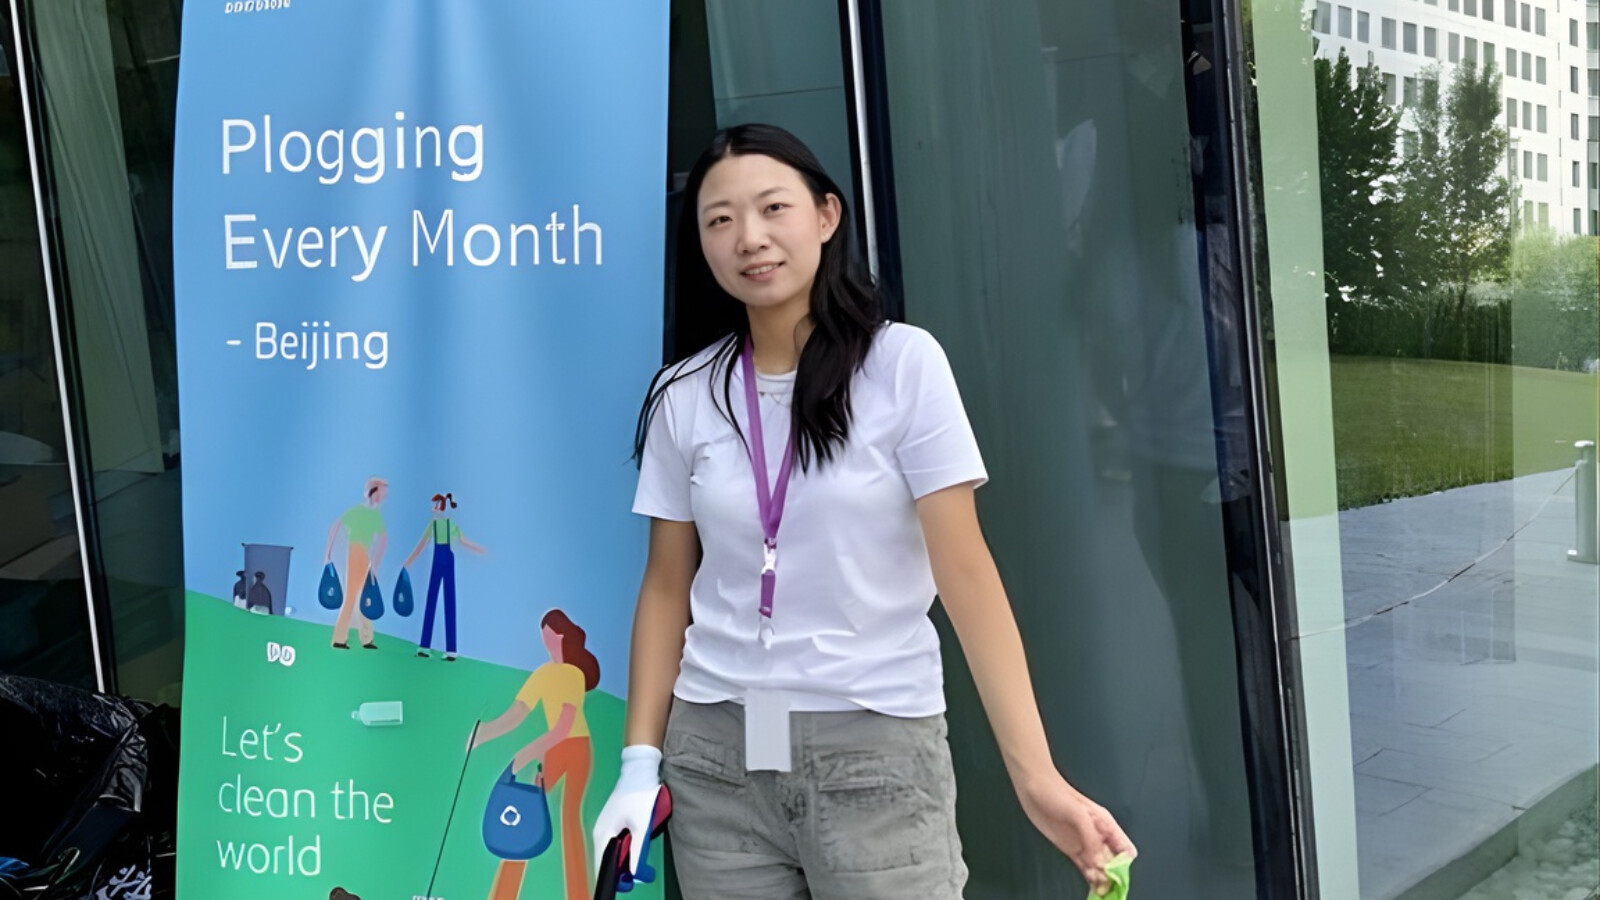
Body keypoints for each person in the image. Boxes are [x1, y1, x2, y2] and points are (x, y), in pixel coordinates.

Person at [591, 123, 1137, 899]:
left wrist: (1037, 777)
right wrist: (639, 765)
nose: (749, 237)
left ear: (825, 216)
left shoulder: (903, 367)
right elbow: (665, 587)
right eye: (720, 220)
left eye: (772, 208)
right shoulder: (686, 394)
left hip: (873, 752)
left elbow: (966, 573)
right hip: (716, 758)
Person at [470, 609, 600, 900]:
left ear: (559, 636)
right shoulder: (542, 674)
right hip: (553, 749)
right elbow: (517, 714)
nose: (544, 639)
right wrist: (482, 734)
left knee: (570, 817)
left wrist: (524, 755)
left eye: (547, 633)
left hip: (577, 748)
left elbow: (563, 728)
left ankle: (580, 896)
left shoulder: (573, 675)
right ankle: (502, 895)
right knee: (523, 817)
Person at [402, 492, 487, 660]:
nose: (433, 509)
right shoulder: (439, 525)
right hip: (443, 559)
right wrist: (409, 561)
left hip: (444, 560)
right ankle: (435, 648)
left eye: (435, 505)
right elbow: (423, 544)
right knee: (439, 601)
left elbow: (461, 541)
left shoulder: (441, 525)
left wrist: (480, 549)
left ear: (440, 507)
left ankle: (439, 648)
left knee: (441, 601)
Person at [324, 476, 388, 649]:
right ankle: (340, 638)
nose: (383, 496)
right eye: (381, 492)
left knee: (364, 596)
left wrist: (374, 563)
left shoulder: (373, 515)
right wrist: (327, 554)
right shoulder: (359, 511)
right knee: (353, 596)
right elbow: (334, 527)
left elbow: (382, 539)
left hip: (363, 555)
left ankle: (365, 638)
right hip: (356, 554)